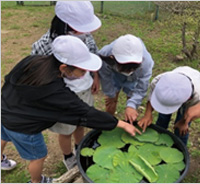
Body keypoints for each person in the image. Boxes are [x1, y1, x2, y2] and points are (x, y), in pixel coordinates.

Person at [1, 36, 141, 183]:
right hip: (23, 126)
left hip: (5, 109)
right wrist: (120, 123)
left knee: (3, 136)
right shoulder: (54, 90)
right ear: (63, 67)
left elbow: (9, 78)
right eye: (82, 70)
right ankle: (36, 181)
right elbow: (83, 111)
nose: (85, 72)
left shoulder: (33, 60)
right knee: (38, 157)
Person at [31, 1, 101, 170]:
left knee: (81, 122)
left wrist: (95, 76)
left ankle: (80, 146)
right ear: (67, 24)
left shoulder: (86, 36)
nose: (87, 30)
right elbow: (36, 67)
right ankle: (68, 156)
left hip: (83, 89)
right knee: (66, 129)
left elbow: (93, 53)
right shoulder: (47, 43)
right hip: (64, 96)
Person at [138, 66, 200, 145]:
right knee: (162, 118)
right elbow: (151, 96)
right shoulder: (158, 81)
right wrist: (147, 114)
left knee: (181, 130)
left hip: (192, 90)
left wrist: (184, 122)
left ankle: (180, 145)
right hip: (178, 76)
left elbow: (192, 112)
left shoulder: (196, 95)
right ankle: (157, 140)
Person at [98, 34, 154, 124]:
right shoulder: (106, 54)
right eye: (125, 69)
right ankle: (109, 123)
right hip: (114, 75)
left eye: (132, 69)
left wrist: (131, 106)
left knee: (131, 102)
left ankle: (129, 124)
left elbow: (141, 88)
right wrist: (110, 93)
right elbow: (105, 76)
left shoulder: (146, 62)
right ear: (113, 58)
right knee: (111, 100)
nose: (128, 72)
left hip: (133, 79)